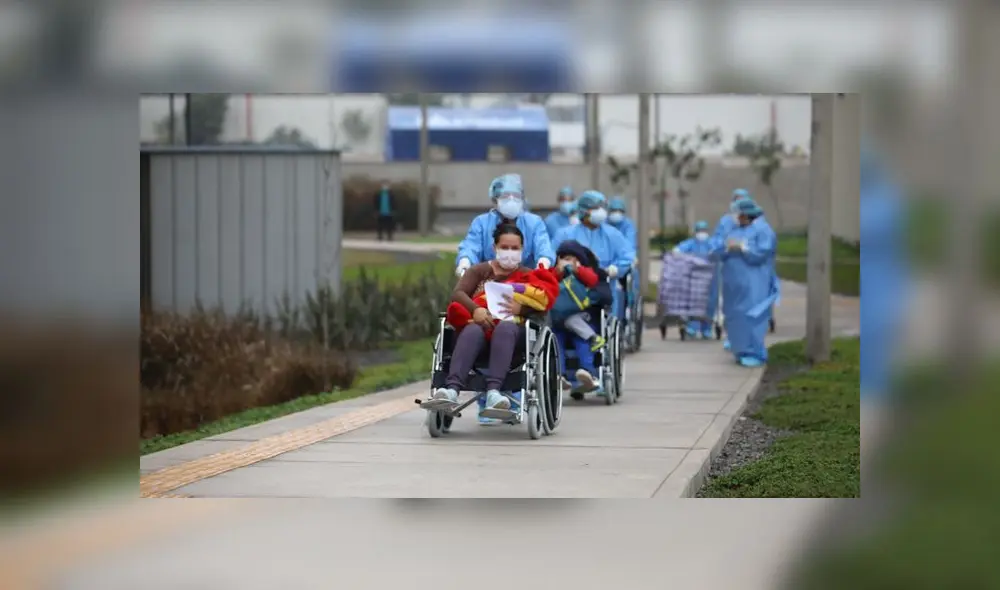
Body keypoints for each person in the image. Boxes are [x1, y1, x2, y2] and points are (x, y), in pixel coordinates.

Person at [428, 221, 559, 423]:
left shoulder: (528, 276)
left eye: (514, 248)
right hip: (479, 330)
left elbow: (543, 303)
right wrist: (475, 309)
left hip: (514, 337)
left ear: (522, 249)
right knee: (473, 329)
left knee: (505, 328)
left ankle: (494, 393)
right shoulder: (479, 271)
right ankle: (451, 390)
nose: (509, 252)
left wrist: (521, 309)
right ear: (494, 247)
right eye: (505, 247)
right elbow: (458, 293)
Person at [711, 197, 780, 367]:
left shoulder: (763, 230)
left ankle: (755, 352)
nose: (735, 217)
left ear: (746, 214)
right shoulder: (735, 231)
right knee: (734, 316)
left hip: (754, 283)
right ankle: (740, 350)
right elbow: (717, 251)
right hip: (733, 285)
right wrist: (727, 248)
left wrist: (745, 249)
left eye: (738, 214)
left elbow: (763, 252)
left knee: (752, 316)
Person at [553, 190, 635, 325]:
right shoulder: (565, 234)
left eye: (602, 207)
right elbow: (553, 256)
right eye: (596, 208)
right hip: (570, 289)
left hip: (602, 289)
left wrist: (615, 269)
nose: (601, 211)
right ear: (584, 211)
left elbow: (627, 255)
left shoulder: (612, 234)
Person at [456, 174, 554, 277]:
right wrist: (465, 263)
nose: (511, 200)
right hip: (488, 279)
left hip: (526, 280)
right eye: (505, 196)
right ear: (495, 199)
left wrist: (543, 264)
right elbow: (471, 246)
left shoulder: (534, 222)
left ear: (522, 199)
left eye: (516, 196)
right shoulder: (482, 223)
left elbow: (543, 246)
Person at [549, 240, 606, 392]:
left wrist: (577, 270)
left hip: (581, 317)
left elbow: (593, 280)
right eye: (563, 258)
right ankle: (559, 374)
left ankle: (588, 372)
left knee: (582, 341)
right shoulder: (554, 272)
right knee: (556, 342)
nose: (566, 261)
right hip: (558, 320)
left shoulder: (584, 271)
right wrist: (558, 272)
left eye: (570, 258)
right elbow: (547, 284)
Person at [712, 188, 752, 349]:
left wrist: (747, 248)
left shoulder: (756, 223)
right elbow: (716, 243)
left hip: (751, 270)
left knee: (748, 304)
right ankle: (732, 336)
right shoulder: (725, 222)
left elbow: (765, 245)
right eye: (736, 200)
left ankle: (747, 339)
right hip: (730, 269)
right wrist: (726, 247)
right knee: (730, 304)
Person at [672, 220, 716, 339]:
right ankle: (693, 326)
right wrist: (677, 252)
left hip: (710, 279)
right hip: (693, 279)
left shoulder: (712, 244)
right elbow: (678, 249)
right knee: (694, 302)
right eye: (699, 231)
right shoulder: (691, 243)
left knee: (709, 303)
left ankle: (707, 328)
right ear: (695, 232)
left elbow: (720, 251)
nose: (701, 233)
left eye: (703, 230)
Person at [607, 196, 640, 318]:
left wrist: (630, 259)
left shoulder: (628, 225)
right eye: (613, 210)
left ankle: (628, 309)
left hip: (622, 264)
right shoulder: (603, 225)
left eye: (619, 210)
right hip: (605, 264)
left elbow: (629, 245)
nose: (616, 213)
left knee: (629, 282)